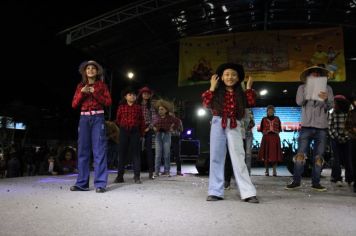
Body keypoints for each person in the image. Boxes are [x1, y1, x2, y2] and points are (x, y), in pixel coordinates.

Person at [202, 62, 259, 203]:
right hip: (217, 122)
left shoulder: (240, 93)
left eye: (233, 74)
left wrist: (249, 87)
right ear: (221, 77)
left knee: (238, 156)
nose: (230, 77)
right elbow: (206, 103)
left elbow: (251, 102)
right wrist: (212, 87)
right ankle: (215, 191)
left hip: (234, 123)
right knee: (216, 157)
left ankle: (248, 192)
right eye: (227, 74)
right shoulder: (216, 91)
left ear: (238, 78)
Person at [285, 65, 333, 191]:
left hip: (321, 127)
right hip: (306, 126)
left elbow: (331, 106)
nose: (316, 75)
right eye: (313, 73)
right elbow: (299, 102)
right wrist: (309, 91)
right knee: (300, 154)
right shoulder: (302, 87)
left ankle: (316, 182)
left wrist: (326, 99)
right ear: (308, 76)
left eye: (318, 73)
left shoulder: (328, 88)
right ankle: (296, 181)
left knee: (319, 156)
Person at [70, 60, 112, 193]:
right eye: (88, 68)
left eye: (93, 68)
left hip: (98, 118)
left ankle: (100, 184)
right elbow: (74, 104)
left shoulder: (102, 86)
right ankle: (82, 183)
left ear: (97, 71)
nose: (90, 70)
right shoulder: (80, 86)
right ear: (85, 71)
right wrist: (82, 92)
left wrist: (95, 93)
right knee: (83, 151)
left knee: (99, 150)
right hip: (84, 118)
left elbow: (108, 102)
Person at [115, 87, 145, 184]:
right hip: (124, 131)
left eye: (134, 95)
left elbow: (142, 121)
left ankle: (137, 176)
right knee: (122, 154)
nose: (132, 96)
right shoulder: (121, 107)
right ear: (125, 96)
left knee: (136, 154)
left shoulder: (138, 108)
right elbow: (118, 120)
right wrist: (124, 126)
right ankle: (120, 176)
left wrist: (141, 133)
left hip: (135, 132)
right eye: (130, 94)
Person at [224, 108, 255, 189]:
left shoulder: (245, 108)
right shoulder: (229, 105)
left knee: (241, 158)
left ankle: (242, 182)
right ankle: (227, 180)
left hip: (241, 136)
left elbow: (249, 122)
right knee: (229, 157)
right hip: (230, 135)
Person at [153, 99, 181, 177]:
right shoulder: (156, 117)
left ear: (166, 110)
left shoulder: (170, 117)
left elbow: (178, 122)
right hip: (158, 135)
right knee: (158, 154)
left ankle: (167, 171)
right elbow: (153, 124)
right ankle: (156, 172)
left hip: (167, 135)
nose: (160, 111)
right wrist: (154, 128)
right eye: (159, 109)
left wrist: (173, 128)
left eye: (162, 109)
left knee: (167, 154)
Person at [328, 95, 352, 186]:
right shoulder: (332, 113)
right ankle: (337, 177)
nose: (333, 104)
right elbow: (330, 127)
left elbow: (350, 126)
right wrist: (338, 137)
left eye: (335, 102)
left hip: (347, 138)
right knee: (336, 159)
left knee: (348, 159)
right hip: (335, 138)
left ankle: (350, 178)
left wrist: (345, 136)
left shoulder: (349, 113)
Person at [137, 86, 157, 179]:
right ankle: (137, 171)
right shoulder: (137, 104)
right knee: (137, 150)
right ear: (141, 94)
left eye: (148, 94)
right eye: (144, 93)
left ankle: (150, 172)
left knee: (149, 150)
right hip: (138, 128)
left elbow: (154, 118)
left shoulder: (151, 105)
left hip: (149, 129)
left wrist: (148, 128)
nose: (146, 95)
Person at [258, 105, 283, 176]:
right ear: (267, 111)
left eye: (272, 110)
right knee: (266, 154)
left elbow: (280, 128)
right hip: (266, 138)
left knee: (275, 155)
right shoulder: (264, 119)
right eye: (269, 110)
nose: (270, 111)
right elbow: (261, 129)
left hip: (275, 138)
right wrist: (265, 132)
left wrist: (276, 131)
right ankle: (266, 171)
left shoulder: (277, 118)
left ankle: (274, 171)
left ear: (274, 111)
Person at [345, 93, 356, 193]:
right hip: (353, 139)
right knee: (353, 160)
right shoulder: (351, 113)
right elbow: (347, 126)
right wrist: (352, 129)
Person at [170, 112, 184, 176]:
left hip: (176, 137)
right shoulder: (167, 121)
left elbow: (181, 130)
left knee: (177, 154)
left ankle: (179, 171)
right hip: (168, 138)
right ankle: (166, 170)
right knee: (166, 154)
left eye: (172, 115)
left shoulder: (178, 121)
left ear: (174, 115)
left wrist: (176, 127)